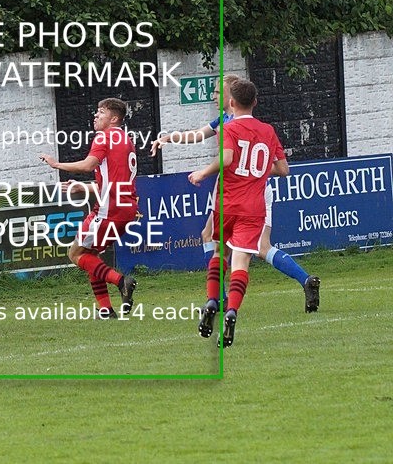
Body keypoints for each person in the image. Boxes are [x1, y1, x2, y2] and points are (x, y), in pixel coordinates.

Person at [151, 75, 320, 313]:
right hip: (232, 189)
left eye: (219, 93)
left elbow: (262, 165)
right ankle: (218, 299)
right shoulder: (224, 120)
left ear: (232, 98)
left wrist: (251, 172)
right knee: (209, 236)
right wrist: (170, 138)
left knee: (258, 248)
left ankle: (303, 279)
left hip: (251, 191)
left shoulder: (242, 124)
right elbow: (198, 134)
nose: (214, 96)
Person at [189, 79, 288, 346]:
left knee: (219, 251)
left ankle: (212, 300)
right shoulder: (268, 131)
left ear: (232, 103)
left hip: (227, 203)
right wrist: (258, 169)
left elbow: (228, 158)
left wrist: (203, 171)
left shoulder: (228, 127)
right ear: (255, 102)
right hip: (253, 207)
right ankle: (231, 311)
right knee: (241, 262)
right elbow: (283, 169)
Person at [39, 98, 138, 318]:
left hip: (108, 209)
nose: (95, 115)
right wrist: (82, 188)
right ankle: (105, 309)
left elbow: (89, 164)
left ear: (114, 118)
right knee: (90, 254)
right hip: (126, 207)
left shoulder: (104, 136)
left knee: (75, 253)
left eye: (101, 112)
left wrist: (57, 165)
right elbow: (109, 180)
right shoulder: (126, 139)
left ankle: (122, 281)